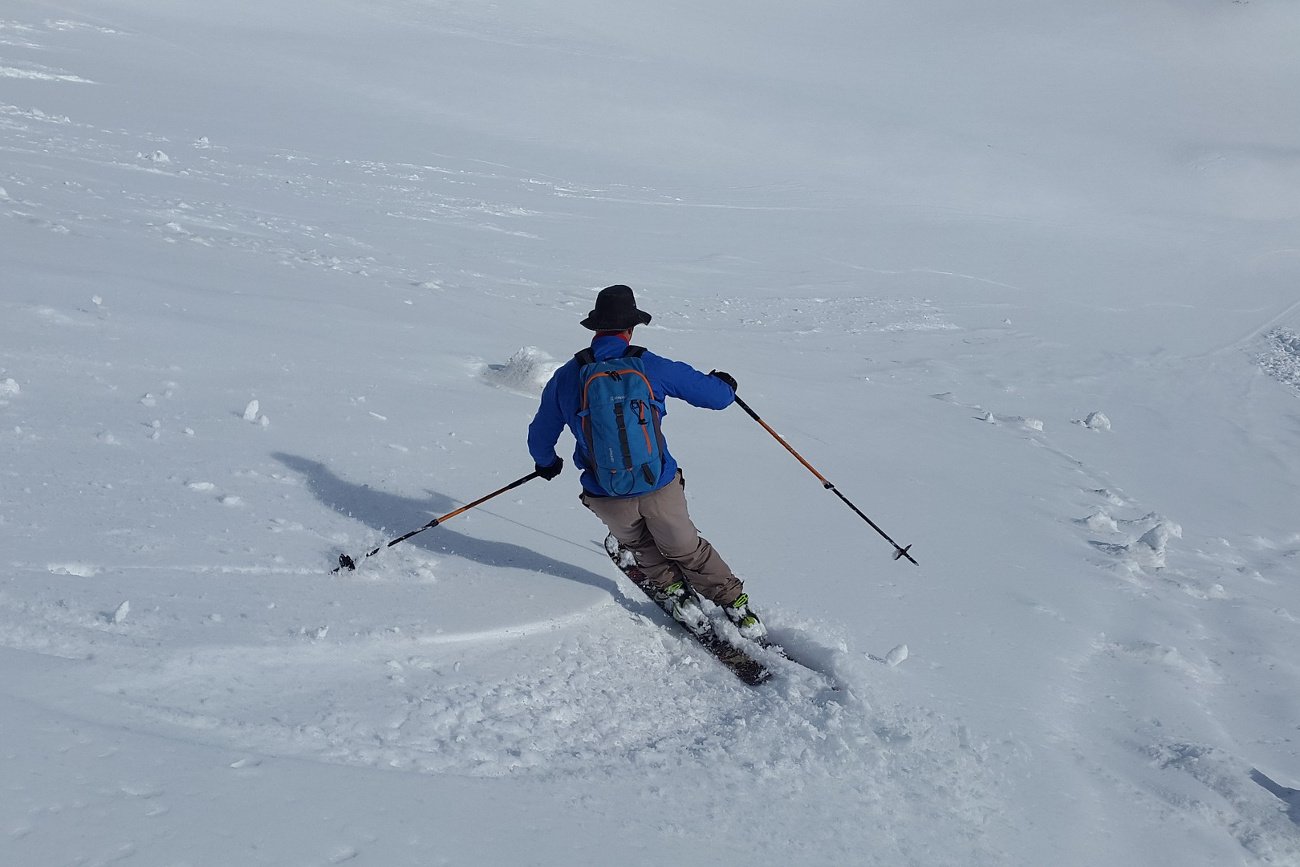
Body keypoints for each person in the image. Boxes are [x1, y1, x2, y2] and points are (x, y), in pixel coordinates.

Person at [527, 284, 766, 640]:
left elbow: (540, 434)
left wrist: (546, 463)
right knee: (687, 548)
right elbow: (717, 398)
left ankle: (673, 593)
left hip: (606, 491)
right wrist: (725, 385)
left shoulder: (567, 376)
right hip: (659, 485)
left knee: (640, 545)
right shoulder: (648, 364)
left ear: (596, 328)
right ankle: (736, 607)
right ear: (631, 328)